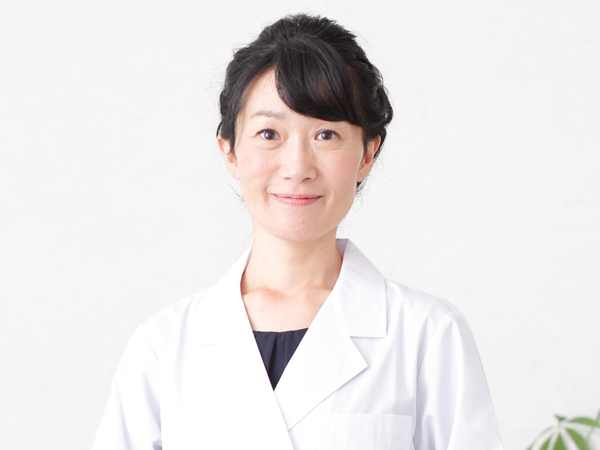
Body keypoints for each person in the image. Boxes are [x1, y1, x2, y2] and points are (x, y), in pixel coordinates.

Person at [92, 14, 504, 450]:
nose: (297, 168)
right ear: (230, 151)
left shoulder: (428, 335)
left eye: (326, 134)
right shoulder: (162, 347)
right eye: (269, 133)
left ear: (367, 153)